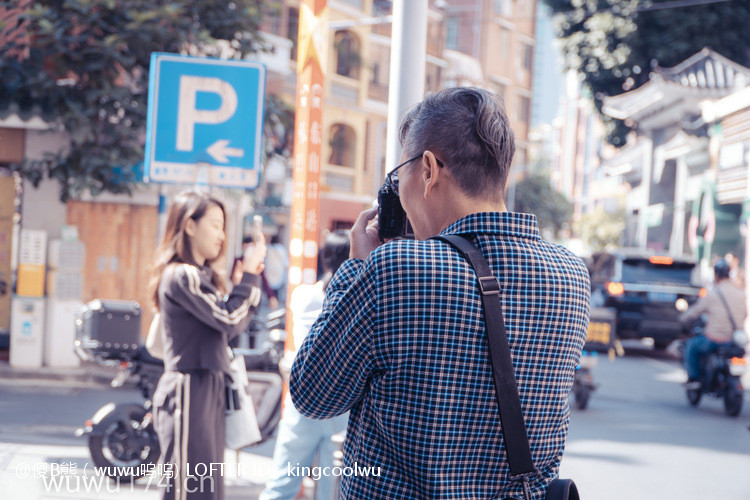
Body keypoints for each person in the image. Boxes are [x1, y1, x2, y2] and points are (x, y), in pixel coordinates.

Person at [290, 88, 591, 499]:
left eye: (399, 176)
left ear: (429, 169)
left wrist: (356, 268)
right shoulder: (572, 275)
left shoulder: (395, 268)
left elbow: (313, 394)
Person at [149, 190, 266, 500]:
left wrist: (243, 284)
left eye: (223, 226)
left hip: (204, 386)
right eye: (215, 225)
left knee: (204, 489)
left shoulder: (200, 277)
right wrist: (249, 278)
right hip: (190, 387)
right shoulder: (183, 275)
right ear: (190, 225)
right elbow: (229, 320)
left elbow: (225, 325)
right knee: (188, 489)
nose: (222, 235)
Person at [259, 230, 351, 500]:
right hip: (342, 404)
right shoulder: (355, 299)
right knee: (331, 491)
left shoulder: (303, 295)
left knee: (281, 485)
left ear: (325, 257)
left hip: (303, 401)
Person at [680, 259, 747, 387]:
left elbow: (695, 312)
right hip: (734, 339)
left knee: (691, 346)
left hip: (714, 339)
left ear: (716, 275)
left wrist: (683, 318)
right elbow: (744, 315)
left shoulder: (713, 294)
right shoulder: (740, 293)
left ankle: (694, 379)